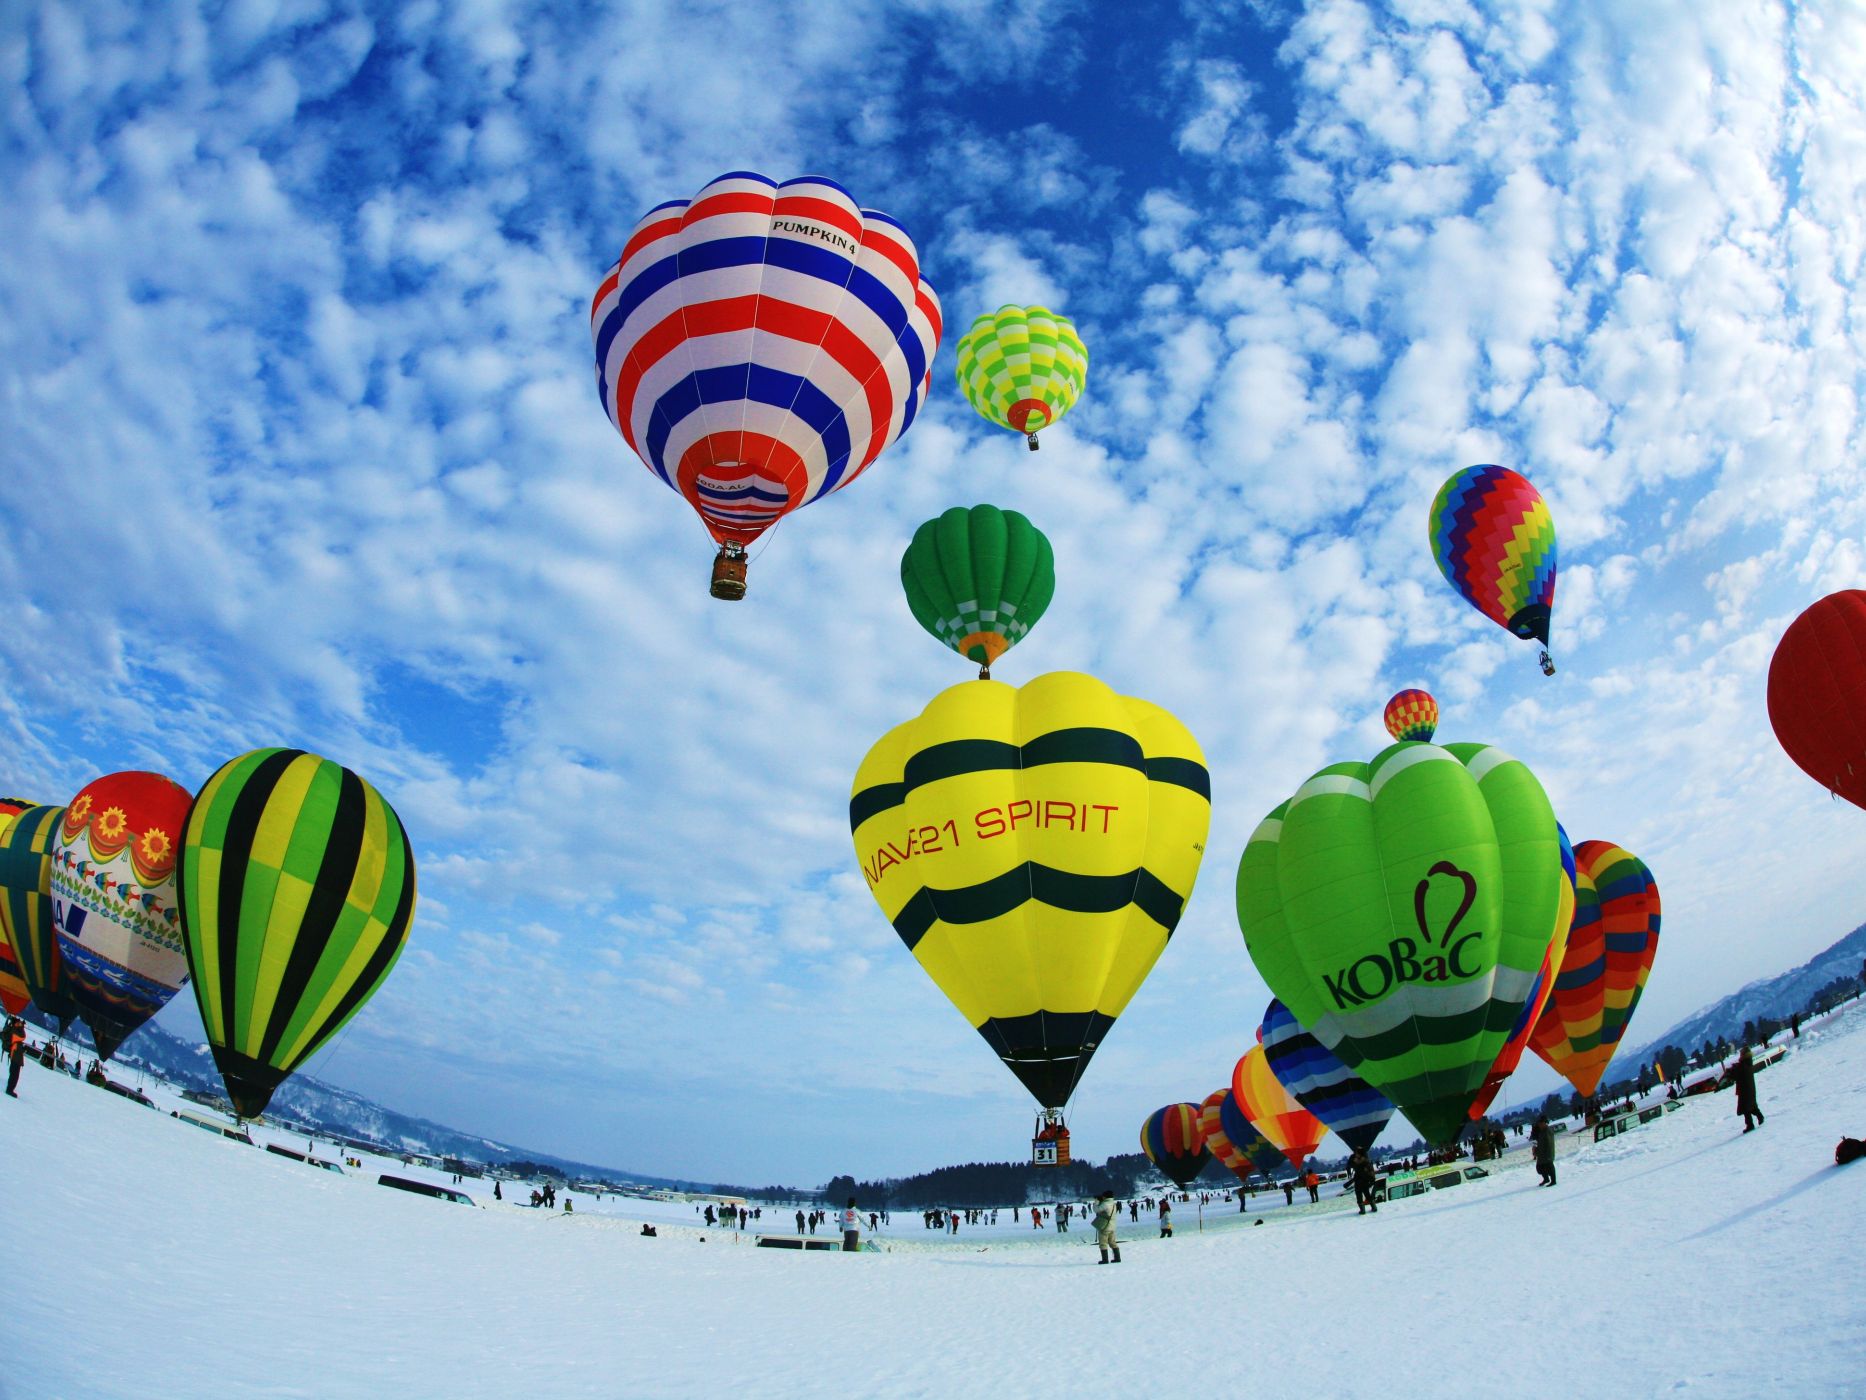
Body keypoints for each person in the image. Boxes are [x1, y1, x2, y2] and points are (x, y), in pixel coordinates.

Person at [1732, 1045, 1765, 1132]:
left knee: (1746, 1108)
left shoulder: (1744, 1064)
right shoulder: (1747, 1062)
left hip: (1745, 1089)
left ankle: (1750, 1125)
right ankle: (1759, 1116)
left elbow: (1739, 1074)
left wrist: (1734, 1069)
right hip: (1749, 1088)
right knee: (1751, 1105)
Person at [1092, 1190, 1121, 1264]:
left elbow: (1096, 1210)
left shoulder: (1105, 1204)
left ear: (1105, 1196)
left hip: (1105, 1226)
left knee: (1103, 1243)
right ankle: (1117, 1258)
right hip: (1112, 1226)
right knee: (1112, 1242)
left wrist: (1096, 1202)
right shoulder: (1113, 1203)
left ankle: (1105, 1260)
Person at [1349, 1148, 1379, 1215]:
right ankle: (1374, 1207)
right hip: (1365, 1180)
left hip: (1359, 1180)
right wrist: (1372, 1180)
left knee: (1359, 1195)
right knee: (1367, 1194)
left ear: (1359, 1154)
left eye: (1357, 1153)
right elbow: (1371, 1171)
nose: (1356, 1154)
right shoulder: (1366, 1161)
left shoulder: (1357, 1162)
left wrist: (1353, 1156)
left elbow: (1350, 1164)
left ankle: (1362, 1210)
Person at [3, 1016, 26, 1098]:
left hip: (16, 1055)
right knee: (14, 1074)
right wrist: (21, 1027)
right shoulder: (14, 1031)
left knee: (14, 1073)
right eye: (18, 1023)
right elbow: (23, 1036)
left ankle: (10, 1089)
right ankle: (9, 1090)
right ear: (15, 1023)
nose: (20, 1024)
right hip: (15, 1055)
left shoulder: (14, 1030)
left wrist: (20, 1026)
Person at [1531, 1114, 1557, 1186]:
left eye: (1540, 1123)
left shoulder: (1547, 1131)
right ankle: (1546, 1179)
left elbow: (1548, 1145)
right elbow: (1538, 1141)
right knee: (1539, 1168)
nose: (1539, 1124)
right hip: (1541, 1153)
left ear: (1544, 1123)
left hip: (1547, 1153)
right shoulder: (1542, 1130)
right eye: (1539, 1123)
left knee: (1549, 1167)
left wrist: (1537, 1151)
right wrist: (1536, 1150)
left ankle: (1553, 1181)